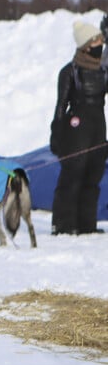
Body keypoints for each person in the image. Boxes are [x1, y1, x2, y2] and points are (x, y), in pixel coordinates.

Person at [50, 20, 108, 236]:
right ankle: (64, 224)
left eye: (101, 39)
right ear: (85, 45)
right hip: (77, 127)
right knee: (73, 174)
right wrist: (56, 133)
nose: (99, 43)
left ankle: (86, 224)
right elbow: (61, 105)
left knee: (94, 175)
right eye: (95, 40)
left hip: (98, 126)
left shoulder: (103, 70)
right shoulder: (69, 71)